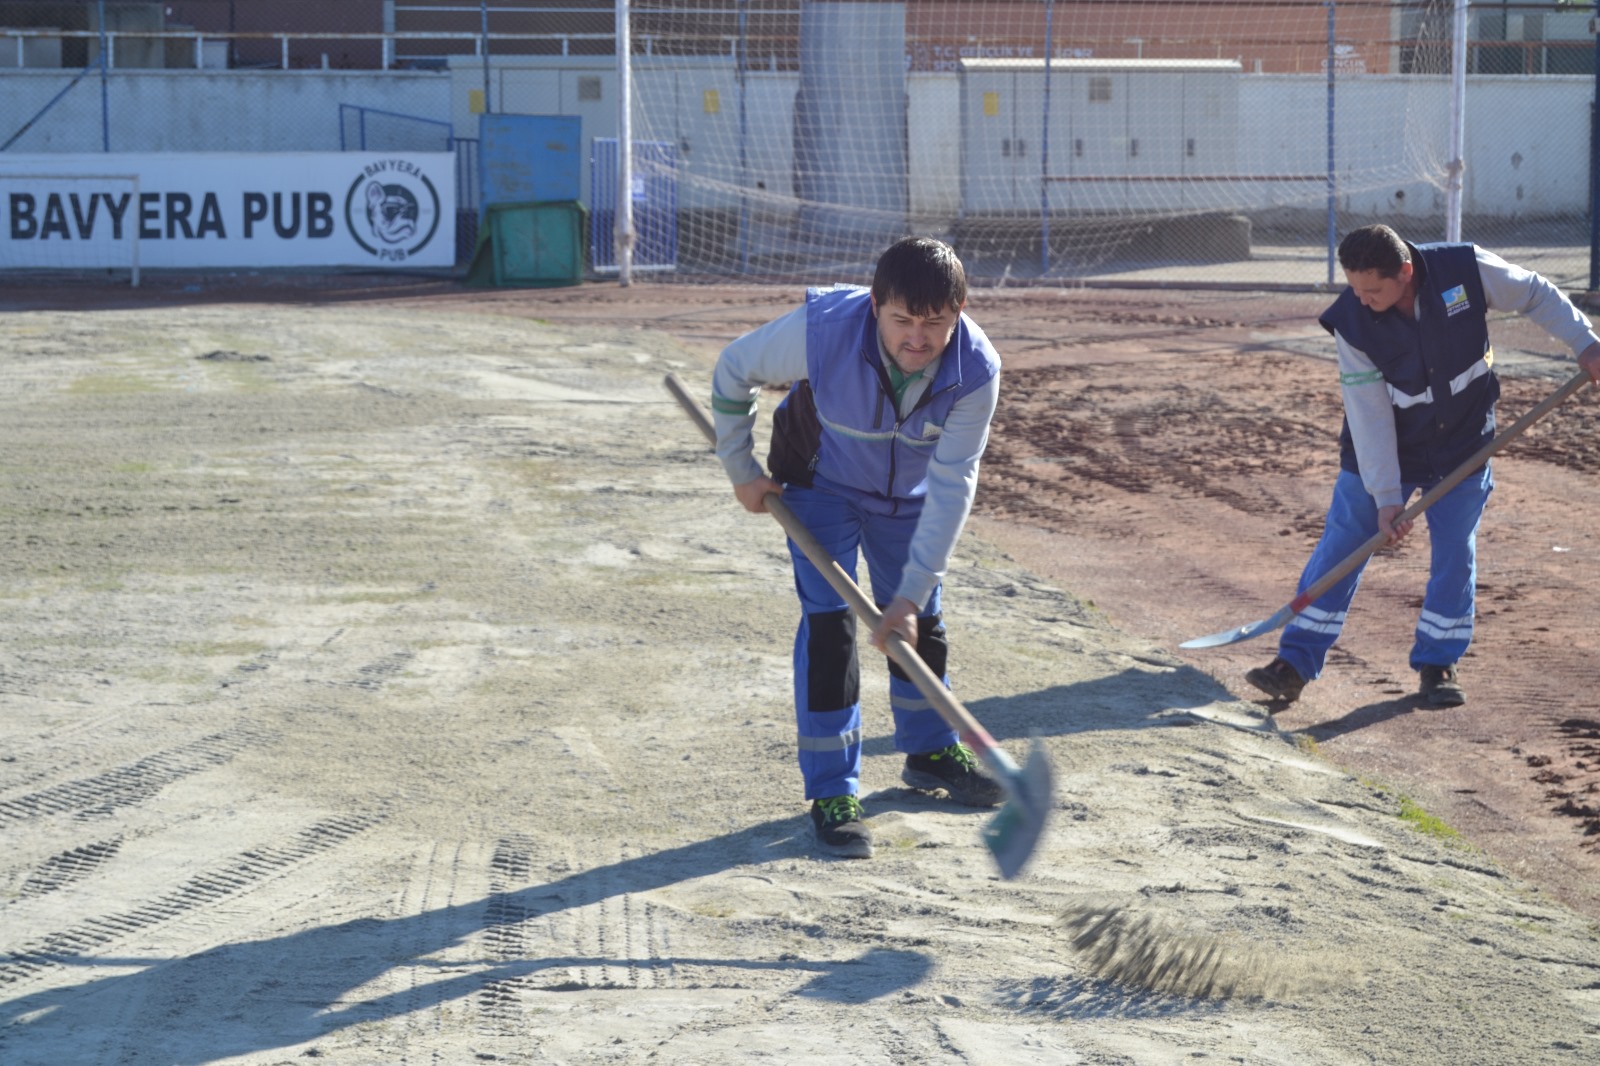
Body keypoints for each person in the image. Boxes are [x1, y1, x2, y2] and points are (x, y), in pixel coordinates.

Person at [710, 236, 1004, 859]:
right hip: (821, 482)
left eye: (936, 323)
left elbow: (955, 484)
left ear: (960, 311)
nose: (918, 339)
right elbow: (734, 370)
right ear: (875, 306)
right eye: (902, 320)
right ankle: (833, 791)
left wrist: (912, 591)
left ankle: (929, 753)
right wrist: (741, 469)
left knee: (920, 620)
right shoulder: (822, 332)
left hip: (912, 495)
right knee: (831, 629)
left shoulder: (976, 369)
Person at [1246, 223, 1600, 709]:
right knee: (1345, 544)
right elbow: (1368, 412)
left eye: (1374, 290)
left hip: (1463, 442)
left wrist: (1586, 344)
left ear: (1406, 272)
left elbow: (1536, 294)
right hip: (1386, 448)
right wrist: (1388, 497)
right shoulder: (1353, 320)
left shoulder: (1466, 269)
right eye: (1355, 288)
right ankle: (1294, 664)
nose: (1364, 300)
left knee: (1455, 549)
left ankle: (1438, 664)